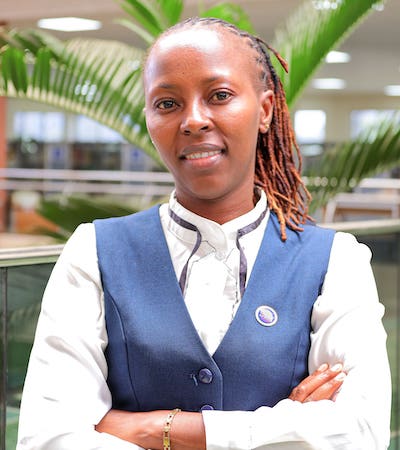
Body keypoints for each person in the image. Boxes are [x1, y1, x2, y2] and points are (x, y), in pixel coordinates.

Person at [17, 17, 391, 450]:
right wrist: (285, 426)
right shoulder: (93, 251)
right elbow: (47, 437)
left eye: (220, 96)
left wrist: (153, 429)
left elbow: (360, 434)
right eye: (167, 103)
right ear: (149, 119)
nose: (193, 120)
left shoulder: (337, 260)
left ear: (265, 110)